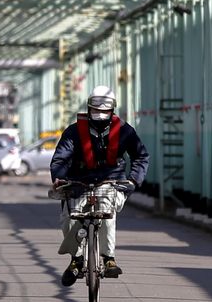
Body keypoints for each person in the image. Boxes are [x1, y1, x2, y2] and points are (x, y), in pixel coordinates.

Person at [50, 84, 150, 287]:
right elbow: (60, 159)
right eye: (95, 110)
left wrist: (133, 180)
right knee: (69, 217)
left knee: (106, 213)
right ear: (88, 108)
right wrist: (59, 178)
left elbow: (141, 156)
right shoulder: (73, 132)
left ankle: (108, 258)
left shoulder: (125, 131)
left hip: (112, 182)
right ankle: (76, 259)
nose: (100, 115)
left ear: (112, 110)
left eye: (104, 111)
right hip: (78, 182)